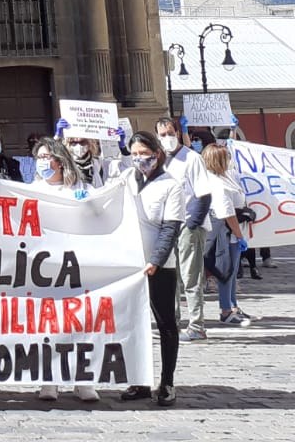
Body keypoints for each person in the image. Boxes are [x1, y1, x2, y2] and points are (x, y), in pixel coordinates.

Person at [26, 136, 99, 403]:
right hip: (43, 266)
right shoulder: (30, 190)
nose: (44, 162)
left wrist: (88, 202)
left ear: (60, 160)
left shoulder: (80, 188)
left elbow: (100, 216)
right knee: (47, 324)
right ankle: (50, 380)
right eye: (40, 157)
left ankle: (83, 379)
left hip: (75, 264)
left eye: (48, 157)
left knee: (80, 322)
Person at [121, 131, 182, 405]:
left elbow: (170, 229)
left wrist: (156, 260)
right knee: (135, 325)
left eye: (143, 154)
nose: (138, 159)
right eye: (134, 154)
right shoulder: (126, 180)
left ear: (156, 154)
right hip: (130, 265)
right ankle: (139, 381)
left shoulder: (172, 186)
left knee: (165, 324)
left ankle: (167, 381)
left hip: (159, 267)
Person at [155, 117, 211, 341]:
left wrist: (192, 223)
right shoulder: (158, 161)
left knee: (190, 276)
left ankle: (197, 325)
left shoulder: (192, 158)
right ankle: (173, 323)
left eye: (170, 133)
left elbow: (203, 193)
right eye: (162, 134)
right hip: (167, 226)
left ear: (178, 133)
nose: (166, 138)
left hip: (188, 224)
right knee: (171, 278)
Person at [201, 143, 251, 327]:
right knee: (226, 271)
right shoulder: (218, 184)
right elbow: (227, 213)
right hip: (226, 232)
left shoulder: (225, 177)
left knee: (232, 270)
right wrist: (239, 235)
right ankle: (225, 310)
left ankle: (233, 305)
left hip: (233, 228)